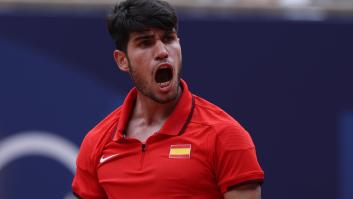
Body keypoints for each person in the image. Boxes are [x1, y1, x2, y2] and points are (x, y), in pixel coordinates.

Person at [72, 0, 264, 198]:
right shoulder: (96, 143)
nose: (163, 51)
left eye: (169, 39)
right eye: (145, 43)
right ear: (122, 60)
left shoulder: (226, 136)